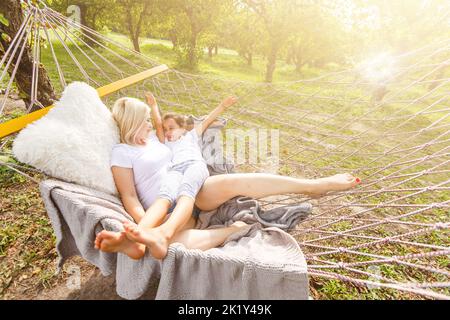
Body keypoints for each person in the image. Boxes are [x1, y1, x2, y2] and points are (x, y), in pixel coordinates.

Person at [94, 93, 362, 260]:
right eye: (146, 120)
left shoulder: (155, 139)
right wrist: (146, 223)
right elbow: (129, 195)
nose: (152, 124)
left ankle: (313, 186)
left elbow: (170, 126)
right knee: (174, 243)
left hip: (194, 190)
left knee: (232, 181)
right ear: (132, 122)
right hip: (164, 209)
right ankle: (234, 231)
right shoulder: (122, 152)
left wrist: (157, 108)